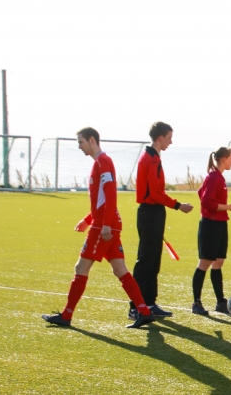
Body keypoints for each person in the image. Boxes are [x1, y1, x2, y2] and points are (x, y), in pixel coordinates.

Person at [42, 127, 155, 329]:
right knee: (120, 269)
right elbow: (101, 199)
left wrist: (104, 224)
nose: (79, 147)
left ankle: (66, 316)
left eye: (81, 142)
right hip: (107, 222)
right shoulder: (100, 163)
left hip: (105, 225)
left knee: (81, 268)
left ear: (92, 140)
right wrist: (88, 219)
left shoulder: (103, 161)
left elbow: (111, 194)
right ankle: (144, 311)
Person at [129, 122, 193, 320]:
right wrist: (178, 205)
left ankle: (149, 303)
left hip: (153, 212)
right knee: (146, 260)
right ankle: (135, 306)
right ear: (160, 138)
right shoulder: (151, 159)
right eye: (169, 138)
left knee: (153, 259)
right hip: (150, 212)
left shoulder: (152, 156)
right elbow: (156, 193)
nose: (171, 142)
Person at [192, 147, 231, 315]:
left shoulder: (216, 176)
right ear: (225, 159)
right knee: (204, 263)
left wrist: (225, 206)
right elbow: (206, 201)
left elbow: (200, 192)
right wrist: (229, 207)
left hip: (219, 224)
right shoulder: (214, 177)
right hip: (210, 225)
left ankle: (220, 301)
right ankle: (196, 303)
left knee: (218, 262)